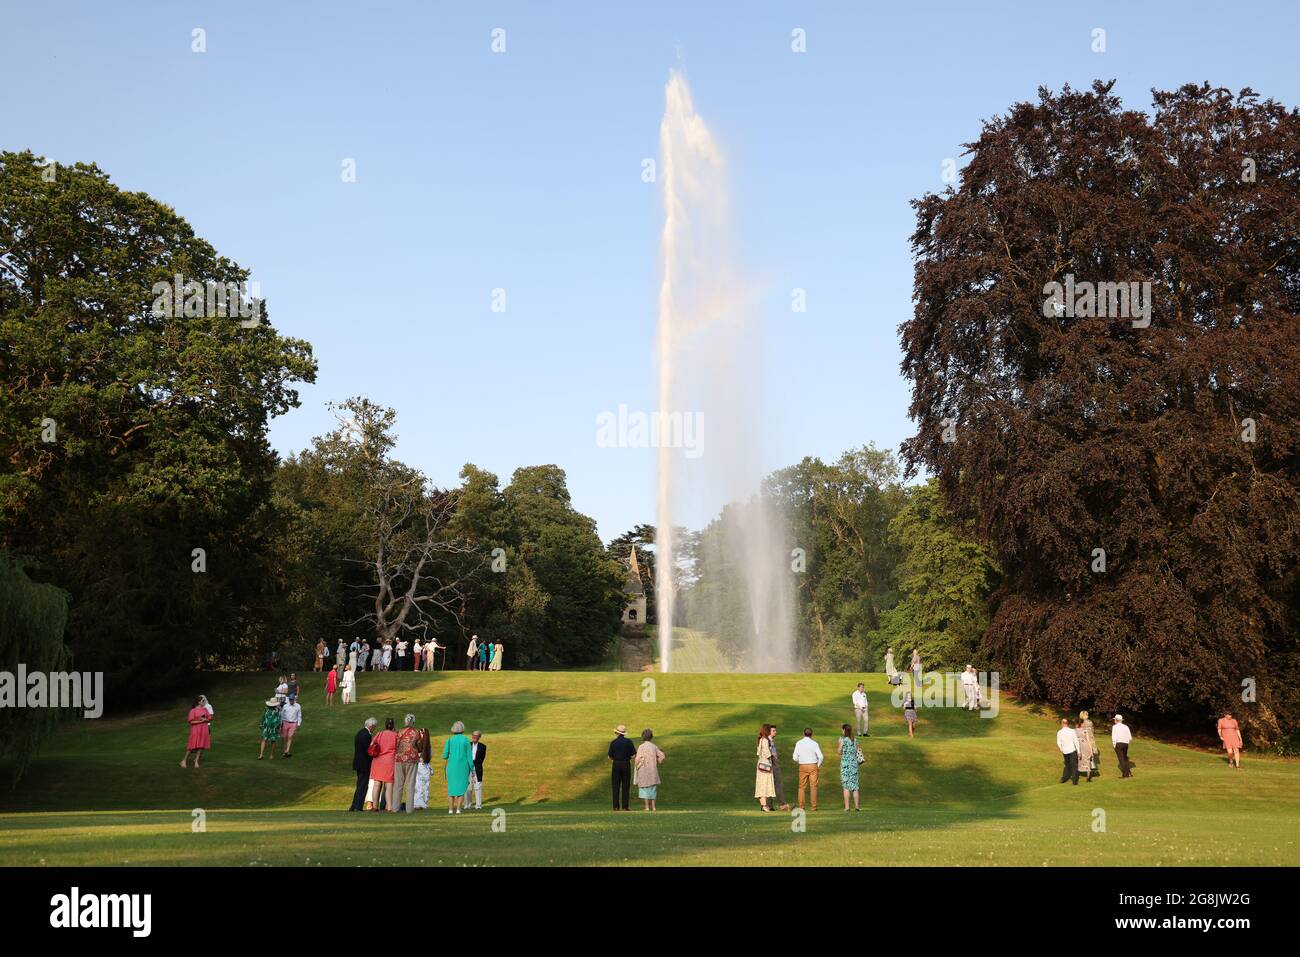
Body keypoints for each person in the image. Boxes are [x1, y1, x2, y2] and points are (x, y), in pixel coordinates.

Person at [365, 718, 398, 811]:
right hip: (389, 762)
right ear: (393, 726)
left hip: (378, 761)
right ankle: (389, 807)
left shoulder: (380, 734)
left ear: (385, 725)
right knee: (389, 785)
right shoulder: (395, 735)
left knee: (377, 784)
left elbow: (372, 744)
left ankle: (375, 806)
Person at [443, 721, 473, 814]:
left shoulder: (449, 740)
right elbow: (469, 756)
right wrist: (472, 768)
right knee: (461, 788)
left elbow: (444, 756)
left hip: (451, 767)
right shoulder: (466, 740)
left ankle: (451, 809)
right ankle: (459, 809)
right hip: (463, 767)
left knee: (451, 788)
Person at [393, 714, 421, 812]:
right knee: (410, 785)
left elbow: (395, 745)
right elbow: (419, 746)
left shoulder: (399, 732)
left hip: (399, 759)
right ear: (413, 722)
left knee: (398, 785)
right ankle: (409, 809)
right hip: (412, 759)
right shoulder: (416, 732)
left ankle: (395, 808)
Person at [792, 726, 823, 811]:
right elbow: (820, 756)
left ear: (804, 734)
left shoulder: (798, 743)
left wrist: (800, 760)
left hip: (803, 765)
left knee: (801, 787)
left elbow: (794, 757)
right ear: (811, 735)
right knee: (813, 787)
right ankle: (814, 806)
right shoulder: (815, 743)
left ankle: (801, 806)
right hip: (813, 765)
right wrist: (818, 765)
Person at [634, 728, 665, 811]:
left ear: (643, 737)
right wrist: (658, 760)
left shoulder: (641, 747)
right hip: (652, 770)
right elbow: (661, 755)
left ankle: (647, 807)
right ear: (651, 737)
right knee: (653, 789)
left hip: (643, 770)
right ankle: (654, 807)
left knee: (645, 789)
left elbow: (637, 759)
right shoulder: (653, 746)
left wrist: (636, 764)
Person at [608, 724, 636, 810]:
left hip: (616, 764)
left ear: (617, 733)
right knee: (625, 785)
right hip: (626, 763)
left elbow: (610, 756)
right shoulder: (629, 742)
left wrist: (616, 759)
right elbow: (633, 755)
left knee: (615, 785)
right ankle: (625, 806)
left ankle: (616, 806)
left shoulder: (613, 742)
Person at [350, 718, 377, 811]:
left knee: (359, 785)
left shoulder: (360, 732)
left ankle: (354, 806)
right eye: (374, 727)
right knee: (363, 786)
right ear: (371, 726)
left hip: (358, 763)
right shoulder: (367, 735)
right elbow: (368, 751)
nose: (374, 729)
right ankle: (358, 806)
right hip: (364, 764)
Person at [181, 696, 212, 768]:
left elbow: (209, 718)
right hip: (196, 729)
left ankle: (196, 761)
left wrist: (206, 720)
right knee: (192, 745)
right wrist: (201, 721)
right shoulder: (193, 711)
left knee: (201, 745)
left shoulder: (205, 709)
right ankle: (184, 760)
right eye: (203, 700)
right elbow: (191, 722)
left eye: (204, 700)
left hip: (204, 729)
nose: (204, 702)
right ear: (198, 702)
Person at [837, 723, 861, 811]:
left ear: (844, 730)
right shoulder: (855, 740)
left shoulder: (842, 739)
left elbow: (839, 752)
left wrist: (839, 743)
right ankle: (857, 807)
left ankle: (847, 807)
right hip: (854, 765)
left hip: (845, 765)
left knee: (846, 786)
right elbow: (857, 751)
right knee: (855, 786)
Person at [767, 725, 791, 811]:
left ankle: (769, 805)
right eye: (774, 731)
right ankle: (782, 804)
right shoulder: (768, 741)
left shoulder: (770, 741)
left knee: (771, 784)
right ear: (769, 732)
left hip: (772, 764)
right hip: (772, 764)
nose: (775, 732)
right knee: (778, 784)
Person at [755, 724, 776, 811]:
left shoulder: (761, 739)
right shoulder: (765, 740)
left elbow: (758, 752)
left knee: (761, 784)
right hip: (766, 765)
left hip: (761, 764)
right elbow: (767, 753)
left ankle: (764, 805)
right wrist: (773, 757)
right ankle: (764, 806)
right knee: (764, 785)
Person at [467, 730, 487, 809]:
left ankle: (478, 805)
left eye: (476, 736)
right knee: (468, 787)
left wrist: (476, 765)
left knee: (478, 786)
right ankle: (467, 805)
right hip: (468, 768)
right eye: (473, 735)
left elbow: (482, 759)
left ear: (479, 737)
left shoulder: (483, 746)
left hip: (477, 768)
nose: (474, 737)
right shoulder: (468, 745)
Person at [413, 729, 433, 809]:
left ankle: (419, 803)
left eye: (421, 732)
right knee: (421, 786)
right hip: (425, 768)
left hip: (420, 767)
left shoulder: (420, 744)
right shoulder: (428, 746)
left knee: (420, 786)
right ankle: (421, 803)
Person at [1057, 718, 1080, 785]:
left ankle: (1064, 778)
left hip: (1065, 751)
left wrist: (1062, 749)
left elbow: (1058, 743)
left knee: (1067, 765)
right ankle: (1074, 781)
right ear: (1067, 723)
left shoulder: (1059, 732)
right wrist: (1079, 751)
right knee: (1074, 766)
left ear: (1062, 723)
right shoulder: (1072, 731)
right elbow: (1076, 741)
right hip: (1072, 750)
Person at [1076, 710, 1097, 781]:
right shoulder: (1090, 722)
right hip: (1090, 740)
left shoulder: (1081, 723)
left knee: (1082, 757)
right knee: (1090, 757)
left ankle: (1081, 770)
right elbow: (1093, 731)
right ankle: (1090, 770)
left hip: (1083, 741)